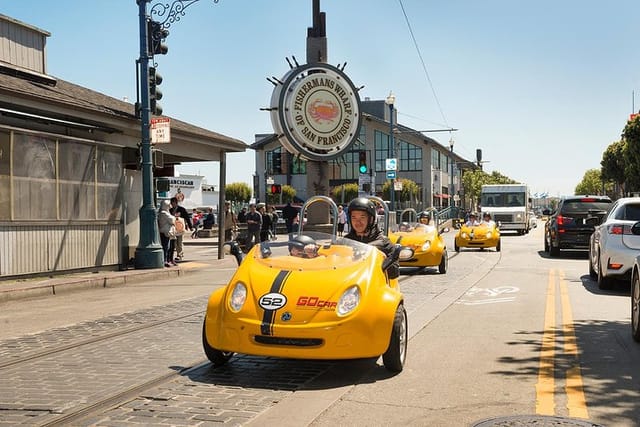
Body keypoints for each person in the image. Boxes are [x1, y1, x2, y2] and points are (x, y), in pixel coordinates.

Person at [344, 197, 399, 279]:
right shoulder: (344, 241)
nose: (358, 222)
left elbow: (394, 273)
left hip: (374, 286)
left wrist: (380, 260)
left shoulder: (384, 243)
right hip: (349, 285)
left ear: (371, 219)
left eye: (362, 217)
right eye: (354, 217)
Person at [157, 199, 177, 267]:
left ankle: (167, 260)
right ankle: (164, 260)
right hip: (165, 231)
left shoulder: (164, 212)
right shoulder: (163, 213)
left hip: (167, 231)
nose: (169, 207)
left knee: (168, 247)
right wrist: (174, 217)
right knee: (165, 247)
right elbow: (172, 220)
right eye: (168, 205)